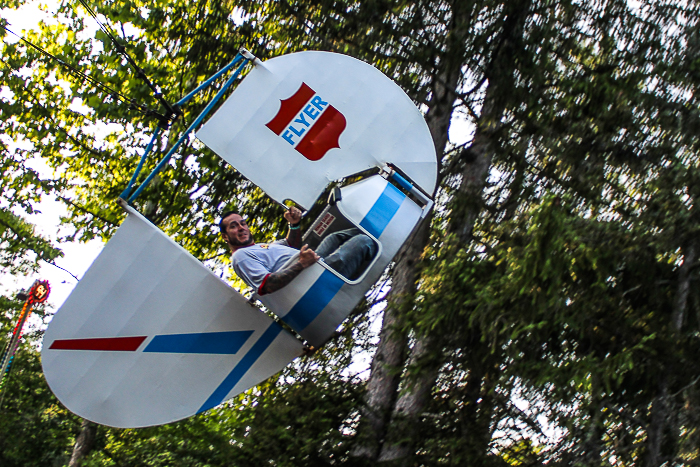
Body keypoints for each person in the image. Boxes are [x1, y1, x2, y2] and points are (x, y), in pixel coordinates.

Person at [220, 207, 377, 295]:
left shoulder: (258, 247)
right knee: (362, 241)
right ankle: (377, 246)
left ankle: (378, 230)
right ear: (225, 236)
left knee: (333, 237)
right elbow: (267, 285)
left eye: (243, 223)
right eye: (234, 226)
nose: (241, 228)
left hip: (313, 263)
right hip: (314, 277)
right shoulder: (240, 257)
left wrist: (294, 224)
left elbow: (291, 244)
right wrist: (302, 264)